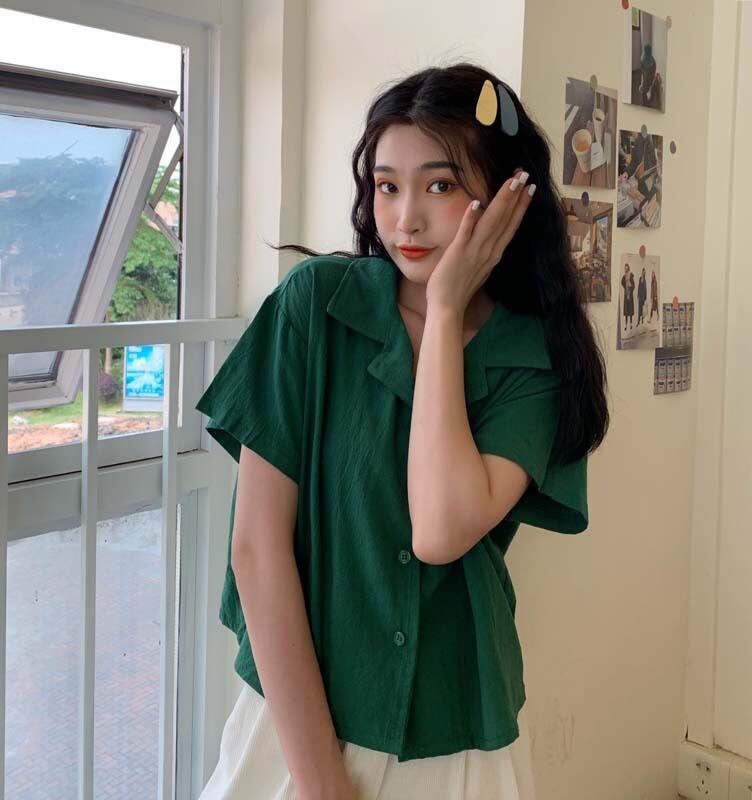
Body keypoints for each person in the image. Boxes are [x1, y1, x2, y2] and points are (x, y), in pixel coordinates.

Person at [195, 63, 609, 800]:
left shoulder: (532, 356)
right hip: (294, 729)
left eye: (440, 186)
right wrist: (321, 781)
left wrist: (445, 311)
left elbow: (440, 531)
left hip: (453, 728)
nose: (406, 220)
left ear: (508, 195)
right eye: (387, 186)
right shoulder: (314, 307)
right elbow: (256, 550)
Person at [622, 264, 635, 331]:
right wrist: (625, 287)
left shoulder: (631, 275)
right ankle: (626, 325)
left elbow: (633, 285)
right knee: (626, 311)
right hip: (626, 295)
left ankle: (631, 324)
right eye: (625, 268)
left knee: (630, 310)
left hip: (630, 295)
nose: (626, 269)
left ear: (628, 268)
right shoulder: (624, 276)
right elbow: (622, 282)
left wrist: (630, 285)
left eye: (627, 268)